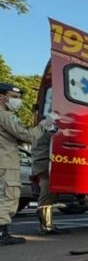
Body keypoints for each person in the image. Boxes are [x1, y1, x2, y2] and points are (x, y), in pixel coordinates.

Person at [0, 83, 53, 246]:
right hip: (6, 162)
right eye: (14, 97)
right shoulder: (5, 116)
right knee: (9, 196)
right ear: (1, 97)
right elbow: (27, 136)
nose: (18, 101)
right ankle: (2, 233)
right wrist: (44, 125)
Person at [33, 106, 68, 235]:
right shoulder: (45, 125)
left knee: (49, 194)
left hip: (42, 163)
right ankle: (45, 226)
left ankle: (47, 224)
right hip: (44, 164)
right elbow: (57, 135)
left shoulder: (42, 125)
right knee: (47, 195)